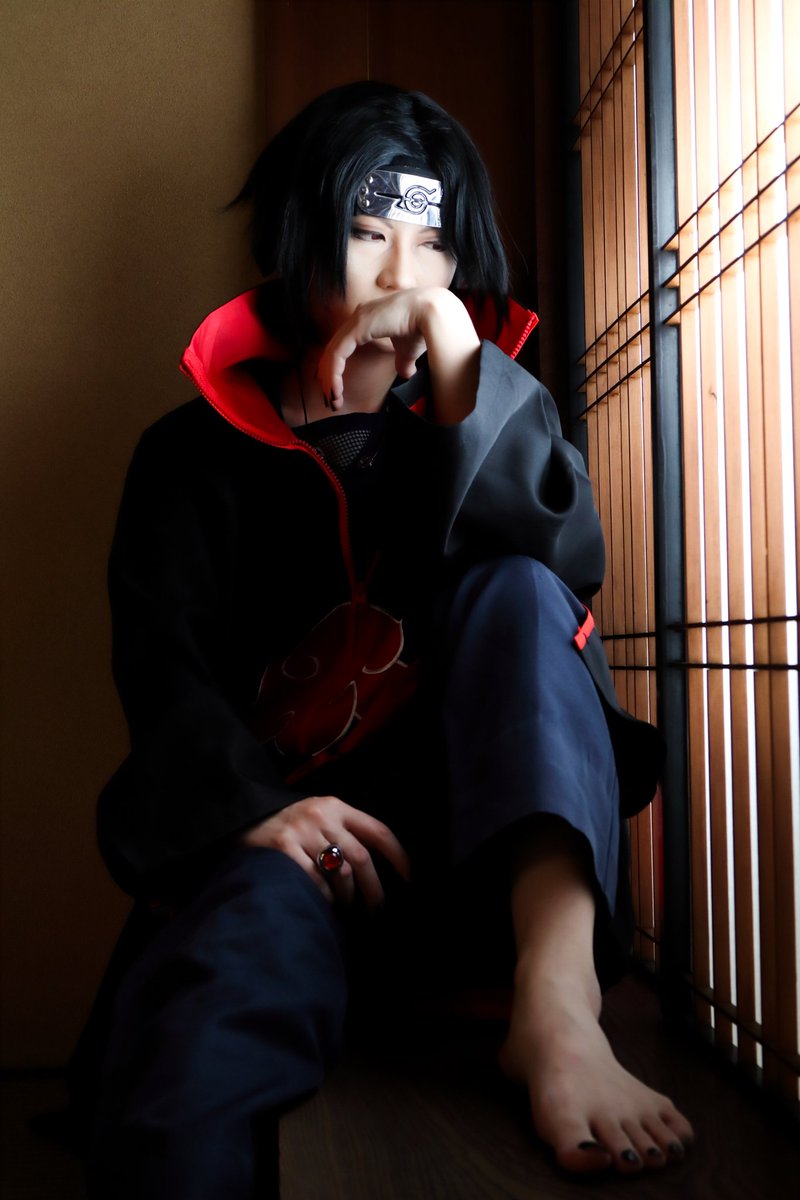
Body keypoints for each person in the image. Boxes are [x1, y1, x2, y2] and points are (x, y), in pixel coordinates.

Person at [84, 81, 693, 1198]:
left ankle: (560, 1014)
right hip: (296, 848)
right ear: (297, 236)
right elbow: (162, 673)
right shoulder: (187, 454)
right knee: (199, 1053)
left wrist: (460, 364)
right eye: (367, 232)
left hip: (488, 858)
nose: (403, 275)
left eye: (434, 245)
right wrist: (259, 814)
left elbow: (563, 596)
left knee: (518, 588)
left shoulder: (487, 407)